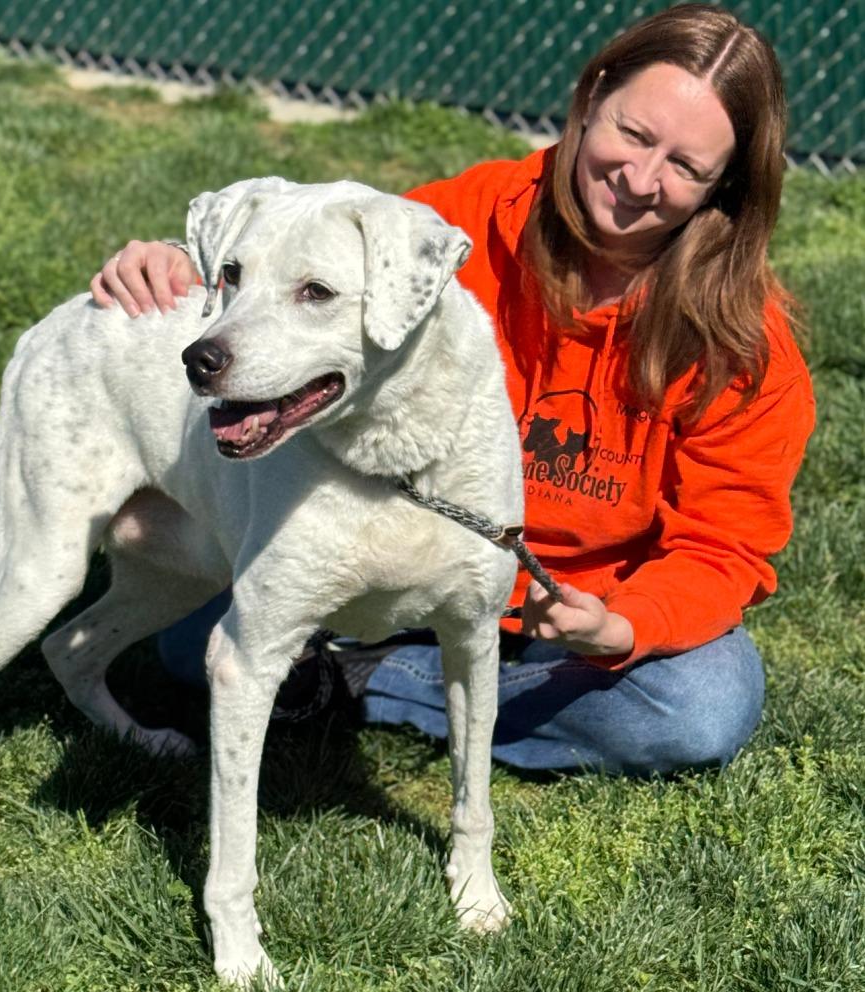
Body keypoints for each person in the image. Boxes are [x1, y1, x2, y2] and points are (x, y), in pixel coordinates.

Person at [89, 4, 814, 774]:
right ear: (592, 94)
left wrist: (624, 627)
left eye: (685, 168)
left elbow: (722, 546)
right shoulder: (469, 220)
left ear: (722, 187)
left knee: (704, 705)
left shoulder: (744, 346)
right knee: (185, 635)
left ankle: (359, 679)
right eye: (631, 134)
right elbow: (317, 252)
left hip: (571, 609)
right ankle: (394, 668)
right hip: (389, 551)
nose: (639, 180)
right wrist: (181, 263)